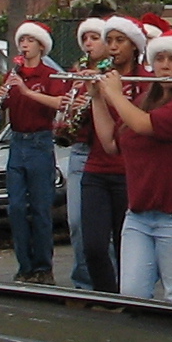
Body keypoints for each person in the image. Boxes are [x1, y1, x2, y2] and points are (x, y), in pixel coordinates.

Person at [99, 28, 172, 304]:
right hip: (140, 215)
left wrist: (115, 94)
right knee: (132, 296)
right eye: (160, 58)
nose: (165, 65)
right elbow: (110, 144)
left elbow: (144, 125)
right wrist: (96, 97)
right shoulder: (144, 102)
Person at [0, 21, 66, 284]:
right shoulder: (13, 74)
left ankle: (43, 267)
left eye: (29, 40)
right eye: (22, 40)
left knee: (40, 207)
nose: (24, 45)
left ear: (41, 45)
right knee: (15, 207)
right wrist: (1, 99)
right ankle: (24, 265)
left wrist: (26, 92)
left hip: (39, 142)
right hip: (17, 142)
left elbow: (59, 102)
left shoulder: (49, 75)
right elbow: (5, 106)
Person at [56, 15, 110, 290]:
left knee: (104, 228)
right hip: (79, 150)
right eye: (85, 39)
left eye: (94, 38)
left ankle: (108, 283)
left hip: (104, 151)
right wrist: (68, 106)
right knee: (76, 222)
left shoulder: (112, 73)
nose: (88, 43)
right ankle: (83, 282)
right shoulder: (77, 73)